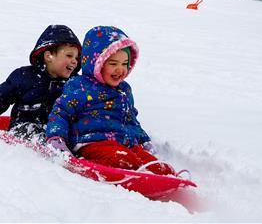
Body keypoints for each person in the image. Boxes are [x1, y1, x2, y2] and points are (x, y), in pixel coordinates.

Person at [45, 26, 176, 176]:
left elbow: (131, 120)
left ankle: (156, 175)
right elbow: (61, 113)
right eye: (113, 64)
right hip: (93, 143)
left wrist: (144, 142)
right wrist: (56, 139)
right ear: (96, 64)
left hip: (126, 145)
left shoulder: (124, 90)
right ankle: (126, 168)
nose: (120, 70)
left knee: (162, 168)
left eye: (124, 63)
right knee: (124, 160)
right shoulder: (80, 86)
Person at [0, 24, 81, 141]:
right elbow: (1, 98)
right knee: (30, 129)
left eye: (77, 58)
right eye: (69, 55)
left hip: (56, 132)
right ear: (48, 56)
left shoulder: (74, 84)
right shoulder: (25, 76)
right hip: (23, 128)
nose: (74, 61)